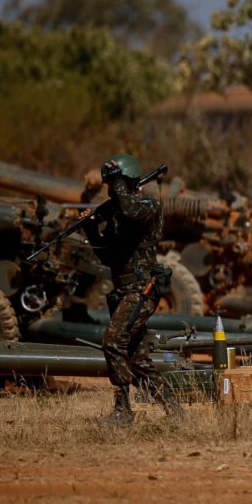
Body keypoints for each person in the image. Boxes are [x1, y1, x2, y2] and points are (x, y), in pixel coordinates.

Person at [83, 154, 178, 426]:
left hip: (142, 289)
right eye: (110, 185)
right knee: (136, 361)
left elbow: (130, 210)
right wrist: (91, 228)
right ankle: (176, 413)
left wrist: (119, 189)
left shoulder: (148, 207)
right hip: (123, 291)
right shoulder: (118, 216)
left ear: (127, 181)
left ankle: (123, 411)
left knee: (113, 342)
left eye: (115, 184)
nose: (112, 190)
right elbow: (108, 257)